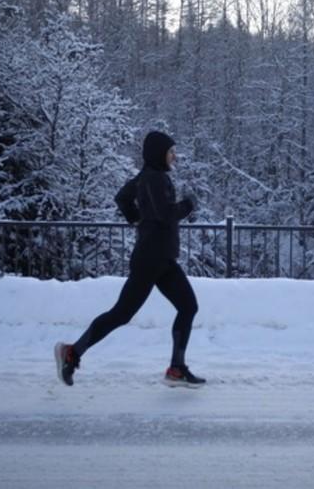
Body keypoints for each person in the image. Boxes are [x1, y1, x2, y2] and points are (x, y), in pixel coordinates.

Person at [54, 131, 206, 388]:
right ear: (160, 153)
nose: (174, 156)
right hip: (150, 260)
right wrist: (189, 204)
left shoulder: (146, 177)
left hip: (163, 259)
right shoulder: (155, 179)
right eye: (171, 152)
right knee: (121, 314)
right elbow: (166, 214)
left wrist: (136, 217)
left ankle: (177, 369)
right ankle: (72, 352)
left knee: (188, 306)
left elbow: (123, 198)